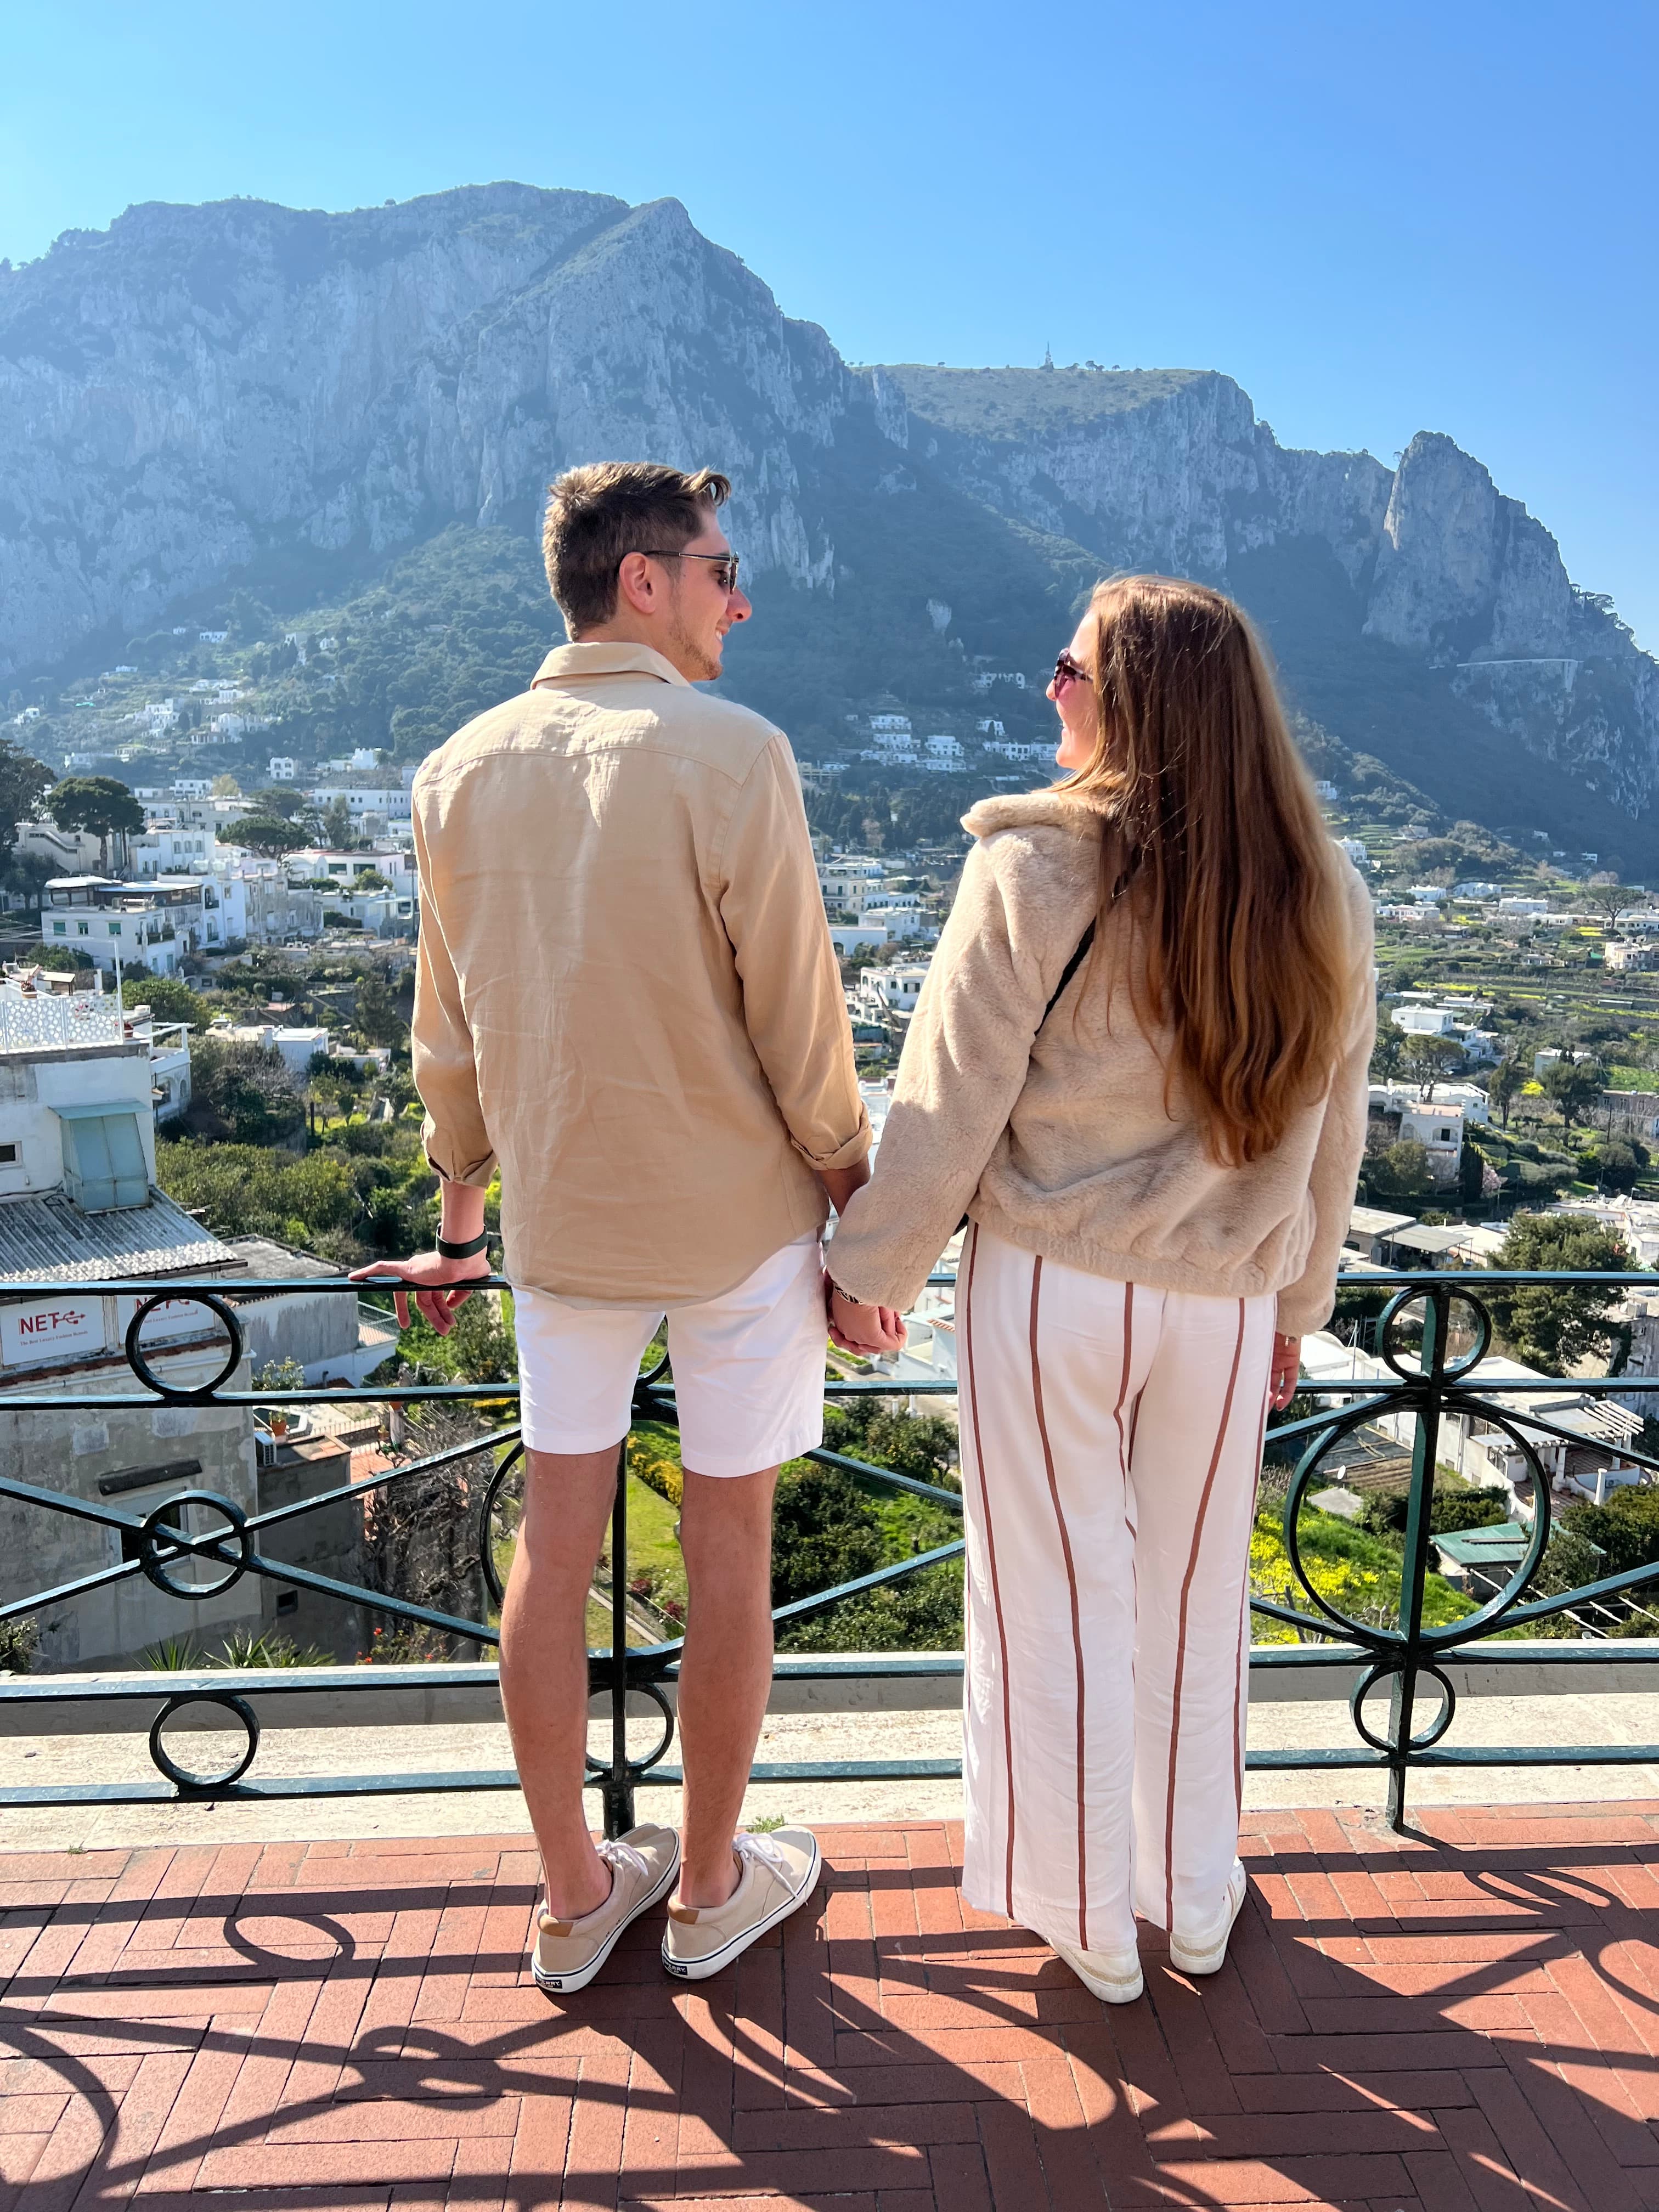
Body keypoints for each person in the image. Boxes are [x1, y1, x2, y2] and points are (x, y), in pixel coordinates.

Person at [357, 462, 893, 1994]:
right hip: (739, 1227)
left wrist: (464, 1223)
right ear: (642, 580)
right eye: (722, 570)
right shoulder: (736, 753)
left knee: (551, 1544)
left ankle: (577, 1895)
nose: (743, 600)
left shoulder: (455, 769)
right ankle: (712, 1887)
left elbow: (445, 1035)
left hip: (562, 1227)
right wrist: (859, 1218)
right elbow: (801, 1019)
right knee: (730, 1548)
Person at [823, 575, 1374, 2001]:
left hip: (1052, 1284)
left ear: (1134, 700)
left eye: (1070, 668)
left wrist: (872, 1271)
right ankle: (1193, 1896)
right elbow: (1334, 1129)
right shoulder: (1324, 887)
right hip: (1223, 1297)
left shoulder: (1033, 863)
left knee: (1051, 1599)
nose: (1049, 687)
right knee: (1195, 1601)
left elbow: (950, 1096)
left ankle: (1086, 1915)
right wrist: (1296, 1307)